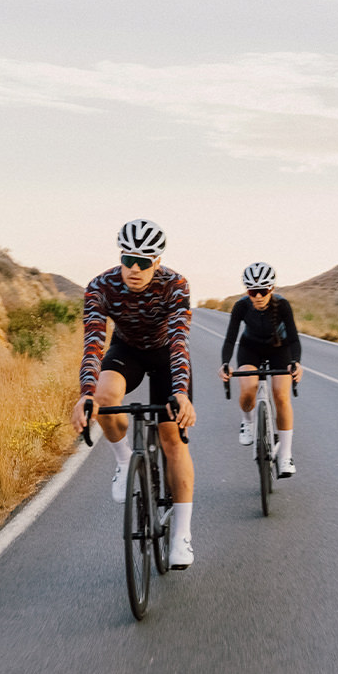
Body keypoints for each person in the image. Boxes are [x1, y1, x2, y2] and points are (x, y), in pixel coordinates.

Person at [71, 219, 197, 568]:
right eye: (129, 259)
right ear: (121, 257)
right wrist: (85, 394)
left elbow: (179, 341)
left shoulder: (176, 285)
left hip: (165, 356)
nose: (135, 268)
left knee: (172, 438)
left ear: (158, 262)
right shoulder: (101, 286)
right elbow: (94, 343)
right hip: (126, 350)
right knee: (106, 400)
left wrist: (181, 394)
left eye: (145, 261)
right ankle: (125, 461)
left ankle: (181, 536)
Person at [218, 262, 302, 476]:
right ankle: (247, 422)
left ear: (271, 289)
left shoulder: (282, 305)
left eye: (262, 291)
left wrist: (296, 362)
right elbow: (230, 338)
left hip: (279, 350)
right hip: (250, 349)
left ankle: (285, 455)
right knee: (248, 389)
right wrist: (226, 363)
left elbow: (293, 338)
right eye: (252, 291)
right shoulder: (241, 306)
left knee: (281, 396)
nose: (257, 296)